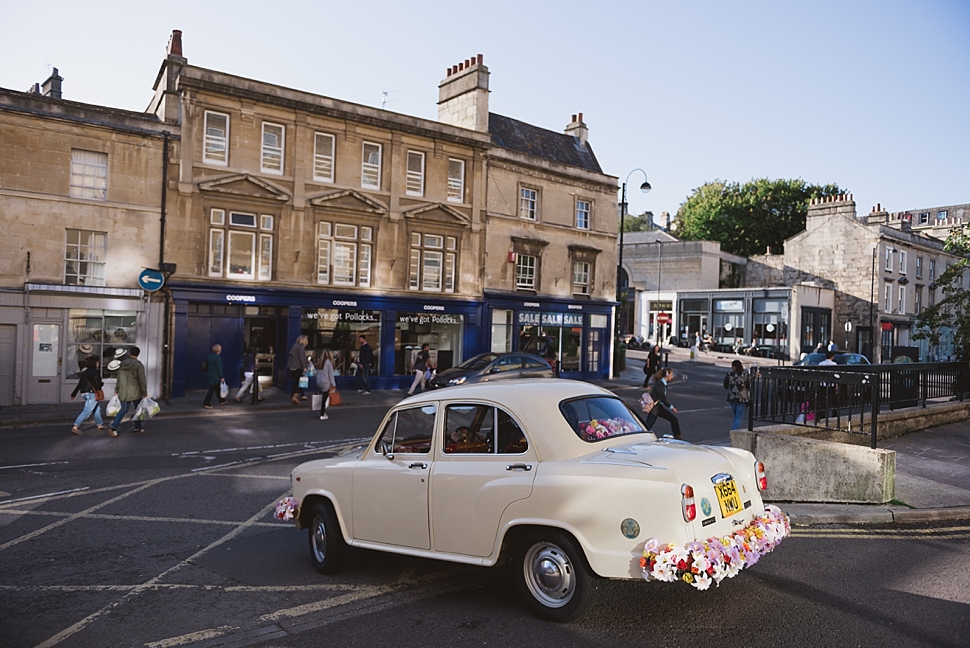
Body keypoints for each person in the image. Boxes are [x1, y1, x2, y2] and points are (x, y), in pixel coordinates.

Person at [109, 346, 147, 437]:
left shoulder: (122, 365)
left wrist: (116, 390)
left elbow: (119, 379)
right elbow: (142, 380)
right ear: (138, 354)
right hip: (135, 391)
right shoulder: (138, 365)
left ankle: (114, 427)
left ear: (130, 353)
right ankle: (138, 427)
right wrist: (144, 392)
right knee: (139, 409)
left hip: (124, 392)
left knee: (123, 410)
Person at [70, 355, 104, 435]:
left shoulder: (84, 372)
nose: (98, 364)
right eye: (97, 362)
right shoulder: (96, 372)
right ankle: (75, 426)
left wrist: (73, 394)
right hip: (92, 393)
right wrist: (101, 384)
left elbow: (80, 384)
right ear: (95, 363)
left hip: (84, 393)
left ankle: (100, 424)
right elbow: (98, 384)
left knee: (96, 408)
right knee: (87, 411)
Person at [645, 367, 682, 439]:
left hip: (659, 408)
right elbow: (663, 398)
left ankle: (678, 438)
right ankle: (639, 437)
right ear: (667, 375)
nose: (672, 376)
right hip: (655, 409)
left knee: (674, 420)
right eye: (671, 375)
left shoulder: (663, 384)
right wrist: (672, 407)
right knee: (647, 426)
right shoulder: (660, 384)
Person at [723, 359, 752, 430]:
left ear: (734, 367)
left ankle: (735, 429)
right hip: (742, 398)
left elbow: (725, 386)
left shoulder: (729, 375)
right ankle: (735, 430)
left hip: (732, 397)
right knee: (738, 417)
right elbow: (749, 386)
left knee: (736, 416)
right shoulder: (745, 375)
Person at [287, 335, 310, 405]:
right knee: (298, 384)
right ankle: (295, 397)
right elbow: (301, 358)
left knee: (295, 383)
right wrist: (305, 367)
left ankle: (292, 397)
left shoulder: (294, 346)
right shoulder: (300, 348)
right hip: (298, 367)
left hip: (292, 367)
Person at [314, 348, 336, 420]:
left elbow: (316, 373)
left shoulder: (320, 362)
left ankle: (322, 411)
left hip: (319, 381)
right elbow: (330, 375)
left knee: (323, 397)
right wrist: (333, 384)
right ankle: (322, 413)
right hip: (326, 382)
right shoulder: (328, 363)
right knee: (324, 398)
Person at [203, 343, 227, 408]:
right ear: (218, 350)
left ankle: (222, 400)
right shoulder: (218, 358)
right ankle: (206, 403)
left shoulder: (210, 356)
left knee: (217, 389)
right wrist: (221, 377)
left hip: (210, 374)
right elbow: (219, 368)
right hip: (215, 376)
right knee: (212, 389)